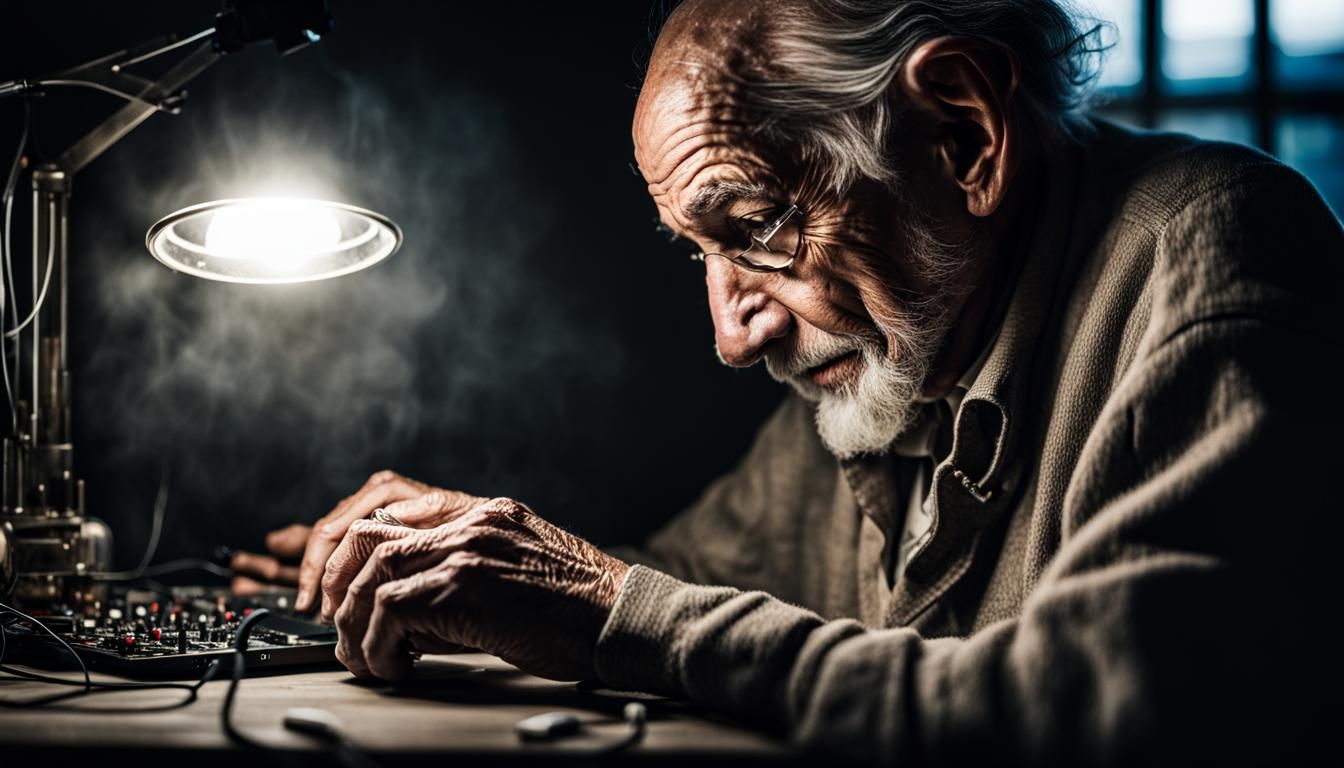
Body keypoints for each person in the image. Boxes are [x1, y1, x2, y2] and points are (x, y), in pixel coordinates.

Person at [230, 0, 1344, 762]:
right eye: (697, 252)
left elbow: (1091, 711)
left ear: (963, 132)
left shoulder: (1217, 247)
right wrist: (464, 576)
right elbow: (682, 582)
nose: (731, 335)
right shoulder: (897, 354)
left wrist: (608, 605)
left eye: (756, 225)